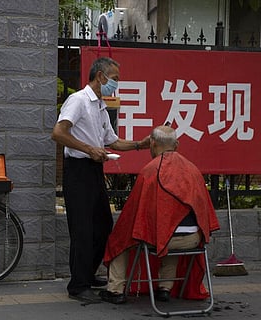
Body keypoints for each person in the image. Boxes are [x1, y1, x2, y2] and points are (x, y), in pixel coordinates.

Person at [51, 56, 150, 304]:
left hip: (94, 170)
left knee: (104, 225)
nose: (116, 84)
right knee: (82, 229)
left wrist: (141, 144)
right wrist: (88, 149)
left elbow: (112, 141)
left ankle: (87, 273)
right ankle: (78, 285)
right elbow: (58, 133)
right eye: (114, 79)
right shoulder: (78, 101)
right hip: (78, 170)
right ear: (100, 77)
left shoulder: (100, 106)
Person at [100, 125, 220, 304]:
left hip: (162, 238)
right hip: (193, 239)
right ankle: (165, 287)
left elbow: (133, 215)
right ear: (177, 145)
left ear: (153, 144)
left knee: (121, 238)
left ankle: (115, 290)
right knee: (173, 230)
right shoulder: (193, 170)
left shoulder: (150, 170)